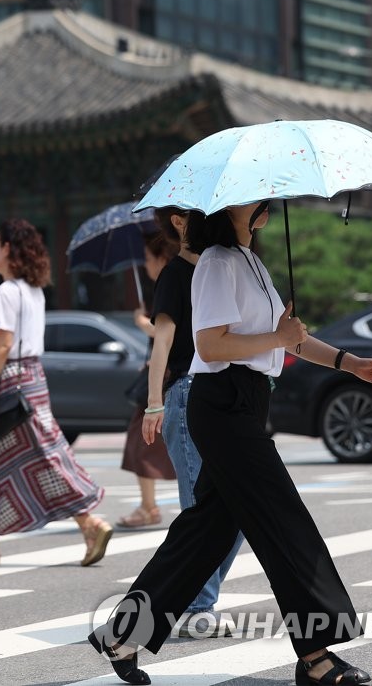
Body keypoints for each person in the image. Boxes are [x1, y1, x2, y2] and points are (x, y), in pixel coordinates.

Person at [89, 201, 372, 685]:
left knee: (205, 533)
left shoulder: (251, 263)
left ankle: (120, 635)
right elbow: (210, 345)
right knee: (281, 517)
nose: (264, 200)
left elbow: (289, 341)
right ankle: (316, 656)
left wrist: (349, 362)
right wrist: (276, 334)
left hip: (248, 402)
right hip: (221, 403)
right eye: (253, 197)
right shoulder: (215, 263)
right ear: (232, 211)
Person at [0, 219, 111, 568]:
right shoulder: (34, 291)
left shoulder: (7, 291)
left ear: (7, 249)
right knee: (44, 455)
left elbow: (2, 345)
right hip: (33, 380)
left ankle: (88, 523)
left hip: (8, 384)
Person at [140, 207, 244, 638]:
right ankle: (199, 605)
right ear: (177, 223)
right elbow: (163, 341)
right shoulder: (176, 274)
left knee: (236, 510)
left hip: (221, 395)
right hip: (184, 395)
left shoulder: (223, 268)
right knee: (200, 508)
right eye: (185, 214)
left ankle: (197, 599)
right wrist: (153, 403)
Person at [117, 232, 177, 529]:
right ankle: (148, 504)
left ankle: (149, 506)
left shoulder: (172, 283)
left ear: (162, 258)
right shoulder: (170, 283)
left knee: (145, 440)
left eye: (148, 259)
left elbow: (169, 332)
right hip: (167, 376)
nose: (145, 266)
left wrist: (144, 324)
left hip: (167, 378)